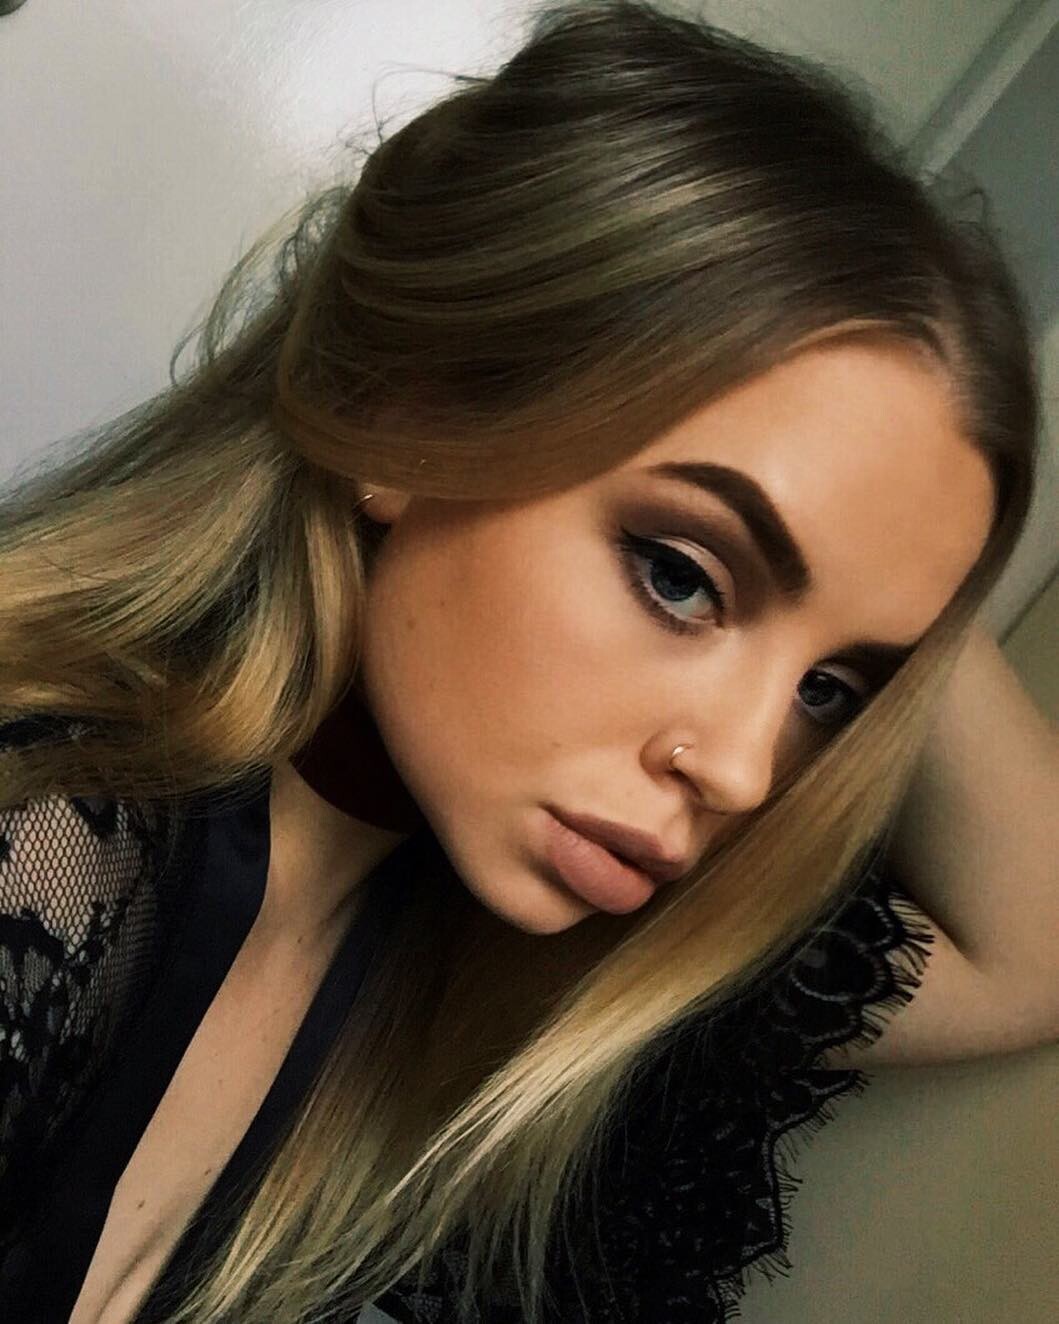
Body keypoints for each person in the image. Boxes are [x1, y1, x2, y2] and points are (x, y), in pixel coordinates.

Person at [0, 1, 1055, 1321]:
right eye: (682, 575)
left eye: (830, 690)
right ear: (406, 408)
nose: (741, 771)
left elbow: (1038, 946)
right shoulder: (41, 836)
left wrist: (892, 500)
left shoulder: (560, 966)